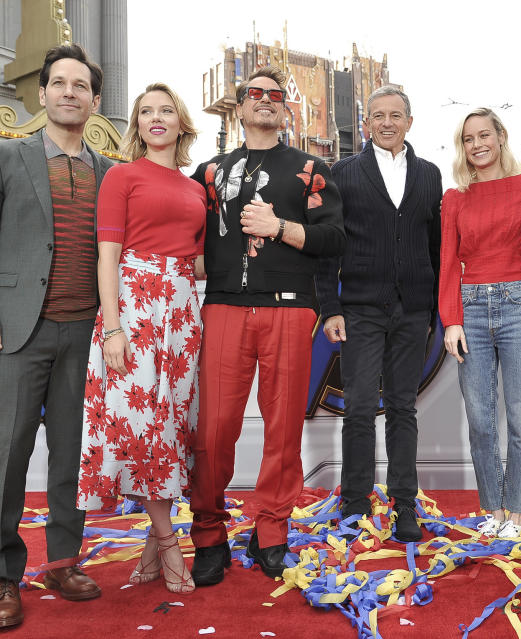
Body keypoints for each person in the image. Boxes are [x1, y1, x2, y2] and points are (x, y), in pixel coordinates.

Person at [0, 44, 111, 629]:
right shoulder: (2, 159)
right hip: (19, 332)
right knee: (8, 456)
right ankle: (2, 576)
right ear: (42, 93)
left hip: (86, 334)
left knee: (71, 455)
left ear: (95, 101)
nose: (69, 92)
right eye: (59, 83)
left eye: (81, 85)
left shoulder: (109, 174)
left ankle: (63, 560)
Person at [188, 66, 345, 585]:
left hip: (290, 307)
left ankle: (272, 530)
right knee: (214, 429)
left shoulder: (312, 169)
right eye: (254, 93)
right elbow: (182, 233)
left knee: (282, 429)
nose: (265, 100)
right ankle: (208, 532)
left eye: (275, 96)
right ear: (239, 105)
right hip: (224, 307)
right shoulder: (209, 173)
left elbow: (336, 239)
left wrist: (280, 228)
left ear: (285, 109)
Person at [76, 83, 206, 594]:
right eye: (146, 111)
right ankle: (171, 542)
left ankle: (155, 542)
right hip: (133, 306)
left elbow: (196, 259)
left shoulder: (197, 188)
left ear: (181, 122)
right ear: (137, 124)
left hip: (182, 311)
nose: (156, 118)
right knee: (141, 424)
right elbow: (107, 256)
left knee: (172, 425)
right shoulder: (121, 176)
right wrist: (112, 327)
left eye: (166, 110)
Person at [315, 86, 442, 542]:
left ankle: (405, 505)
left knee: (404, 408)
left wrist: (430, 308)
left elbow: (435, 248)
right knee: (361, 409)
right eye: (377, 116)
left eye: (395, 115)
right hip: (360, 310)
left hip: (412, 311)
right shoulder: (343, 173)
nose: (387, 122)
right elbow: (328, 250)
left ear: (410, 121)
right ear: (366, 123)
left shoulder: (430, 175)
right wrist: (330, 307)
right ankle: (354, 505)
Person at [440, 108, 521, 540]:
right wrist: (451, 321)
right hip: (471, 308)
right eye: (468, 139)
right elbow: (447, 262)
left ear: (501, 136)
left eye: (485, 135)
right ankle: (495, 508)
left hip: (518, 302)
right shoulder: (454, 197)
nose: (478, 144)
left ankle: (519, 512)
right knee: (481, 420)